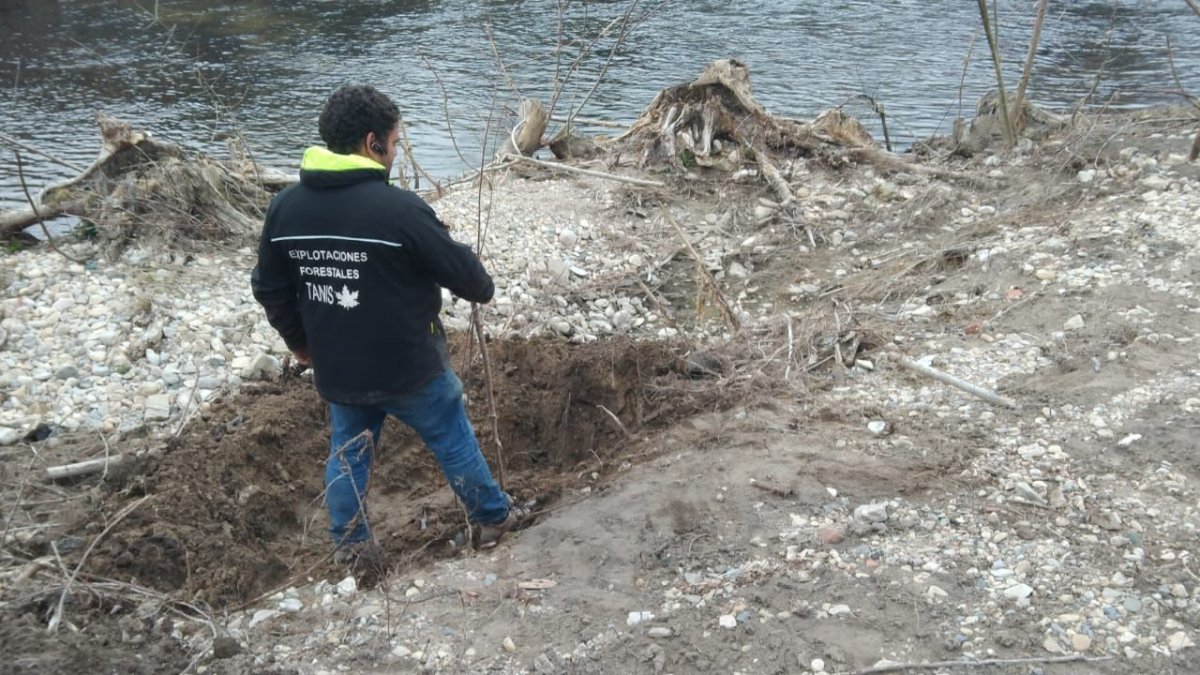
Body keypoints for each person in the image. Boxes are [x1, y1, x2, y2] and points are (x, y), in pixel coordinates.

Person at [250, 84, 528, 565]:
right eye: (396, 144)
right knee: (451, 438)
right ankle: (493, 518)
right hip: (410, 368)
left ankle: (352, 549)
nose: (396, 153)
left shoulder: (286, 208)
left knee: (347, 454)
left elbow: (268, 287)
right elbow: (473, 282)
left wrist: (300, 344)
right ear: (373, 143)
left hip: (338, 370)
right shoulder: (400, 211)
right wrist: (475, 278)